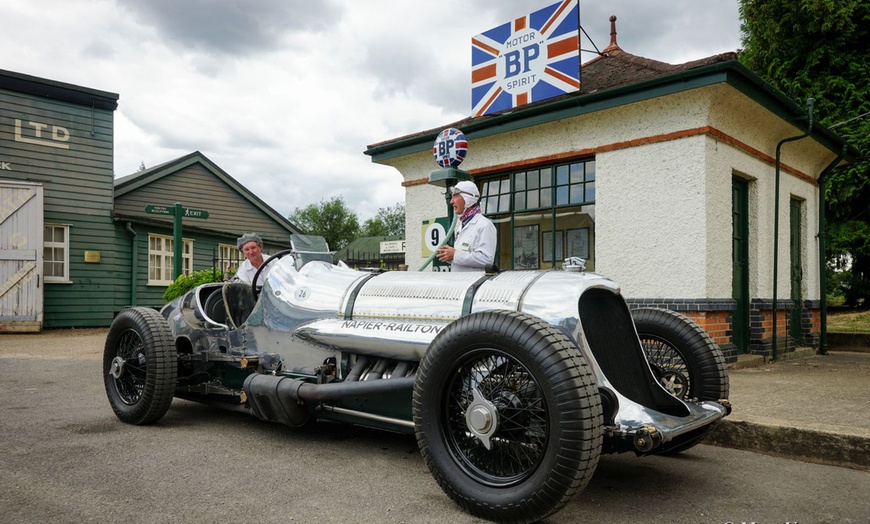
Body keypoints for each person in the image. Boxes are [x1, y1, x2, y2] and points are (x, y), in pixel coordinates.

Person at [436, 180, 497, 272]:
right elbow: (464, 257)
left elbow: (487, 259)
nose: (451, 202)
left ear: (468, 199)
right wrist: (449, 256)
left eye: (455, 196)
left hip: (473, 284)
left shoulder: (485, 225)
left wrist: (455, 255)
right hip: (460, 283)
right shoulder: (462, 225)